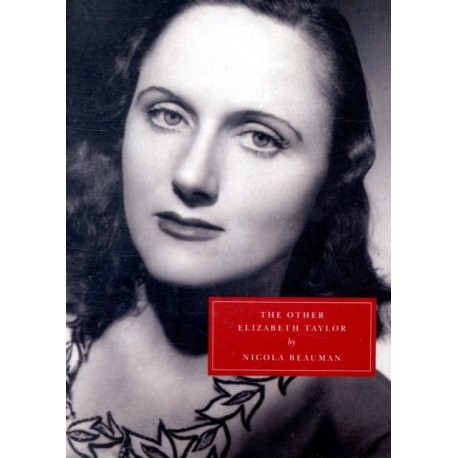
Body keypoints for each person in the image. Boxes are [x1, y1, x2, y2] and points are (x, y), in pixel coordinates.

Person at [66, 0, 391, 456]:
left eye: (260, 138)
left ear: (335, 178)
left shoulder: (372, 418)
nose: (191, 176)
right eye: (167, 114)